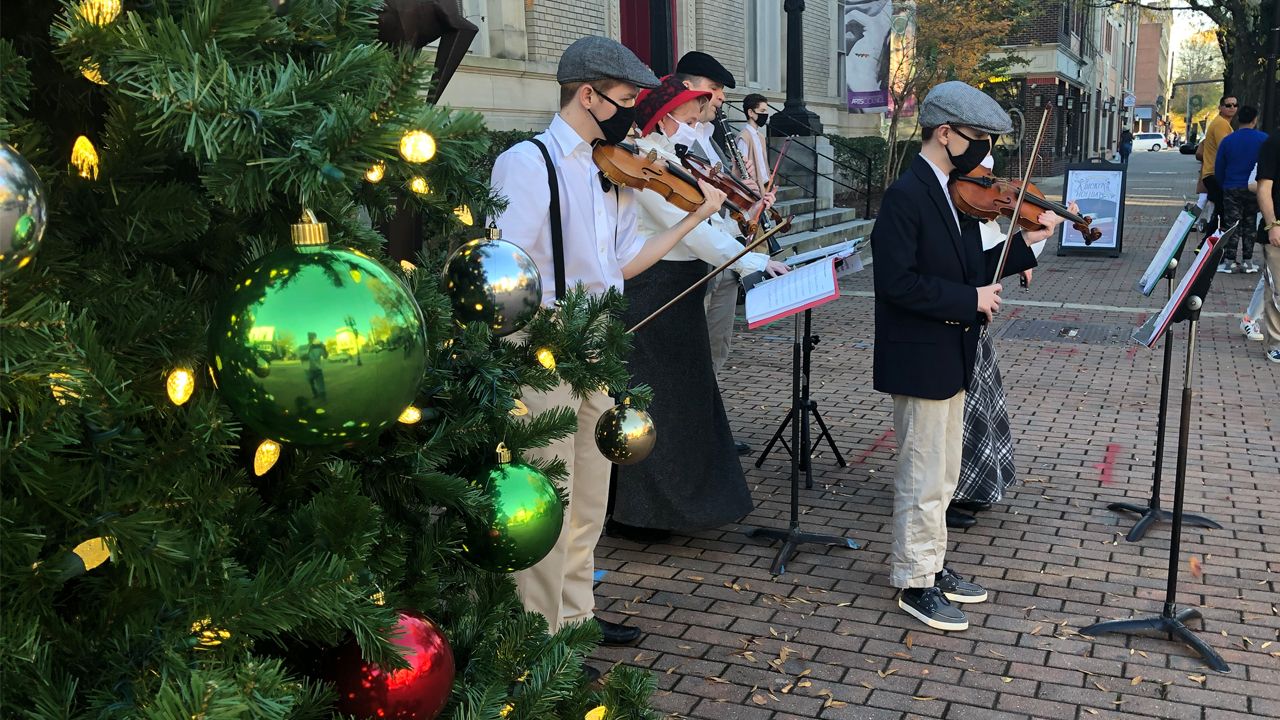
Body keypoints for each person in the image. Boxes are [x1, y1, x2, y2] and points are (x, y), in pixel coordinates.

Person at [489, 36, 727, 656]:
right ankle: (540, 639)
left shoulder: (611, 168)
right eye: (624, 100)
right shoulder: (528, 162)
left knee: (591, 494)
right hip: (541, 343)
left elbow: (624, 263)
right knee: (547, 493)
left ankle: (575, 617)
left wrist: (692, 218)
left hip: (599, 336)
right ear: (588, 95)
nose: (631, 115)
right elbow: (505, 275)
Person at [871, 81, 1068, 631]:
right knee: (923, 471)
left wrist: (1031, 243)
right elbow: (895, 283)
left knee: (944, 469)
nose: (985, 152)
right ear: (945, 134)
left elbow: (971, 269)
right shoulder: (908, 195)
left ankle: (931, 564)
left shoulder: (951, 192)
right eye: (977, 139)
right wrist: (969, 300)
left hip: (949, 348)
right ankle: (914, 579)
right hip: (922, 354)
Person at [608, 77, 790, 541]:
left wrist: (741, 227)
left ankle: (680, 506)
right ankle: (643, 512)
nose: (694, 124)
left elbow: (709, 222)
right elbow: (690, 230)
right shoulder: (645, 161)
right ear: (662, 117)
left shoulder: (673, 158)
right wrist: (753, 259)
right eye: (688, 116)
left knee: (686, 396)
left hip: (681, 288)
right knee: (659, 399)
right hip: (655, 288)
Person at [673, 51, 775, 455]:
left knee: (717, 348)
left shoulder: (710, 138)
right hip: (697, 264)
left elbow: (726, 202)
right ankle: (695, 436)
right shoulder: (668, 142)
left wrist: (752, 205)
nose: (719, 100)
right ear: (688, 90)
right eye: (713, 90)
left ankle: (709, 429)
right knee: (693, 353)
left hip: (726, 258)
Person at [1213, 105, 1266, 274]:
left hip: (1232, 186)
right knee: (1250, 223)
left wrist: (1223, 184)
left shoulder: (1228, 140)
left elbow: (1219, 167)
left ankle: (1229, 261)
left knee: (1232, 224)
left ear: (1238, 119)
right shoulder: (1263, 139)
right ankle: (1248, 261)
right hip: (1253, 187)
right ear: (1254, 120)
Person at [1255, 123, 1280, 364]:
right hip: (1278, 228)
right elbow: (1264, 188)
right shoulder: (1273, 143)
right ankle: (1276, 341)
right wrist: (1272, 225)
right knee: (1277, 289)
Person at [1195, 95, 1237, 232]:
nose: (1232, 108)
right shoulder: (1221, 124)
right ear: (1220, 107)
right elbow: (1226, 148)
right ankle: (1205, 246)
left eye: (1235, 105)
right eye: (1228, 105)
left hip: (1213, 173)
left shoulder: (1222, 123)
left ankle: (1205, 246)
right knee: (1223, 212)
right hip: (1215, 174)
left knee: (1220, 211)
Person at [737, 93, 772, 193]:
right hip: (753, 189)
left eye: (766, 111)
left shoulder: (760, 136)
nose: (765, 114)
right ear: (751, 112)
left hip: (765, 186)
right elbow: (742, 168)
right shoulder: (744, 137)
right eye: (762, 111)